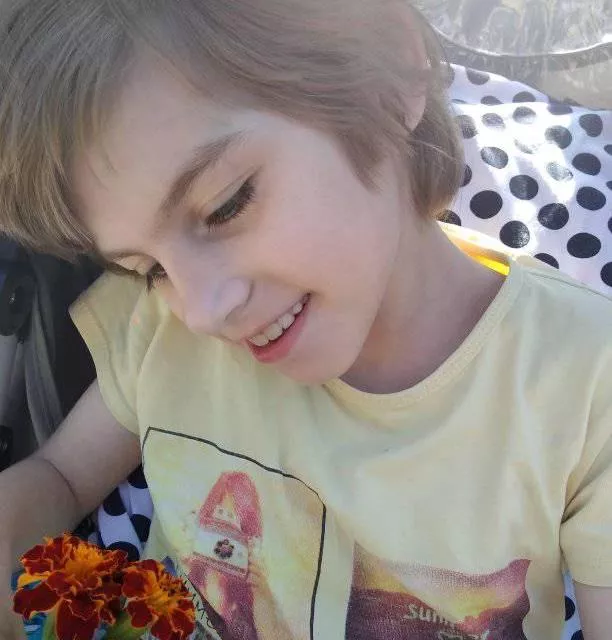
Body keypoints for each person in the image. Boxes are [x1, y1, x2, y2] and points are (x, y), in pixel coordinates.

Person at [0, 1, 610, 638]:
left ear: (387, 73)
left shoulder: (582, 384)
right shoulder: (159, 326)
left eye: (226, 205)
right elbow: (60, 477)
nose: (201, 311)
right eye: (148, 268)